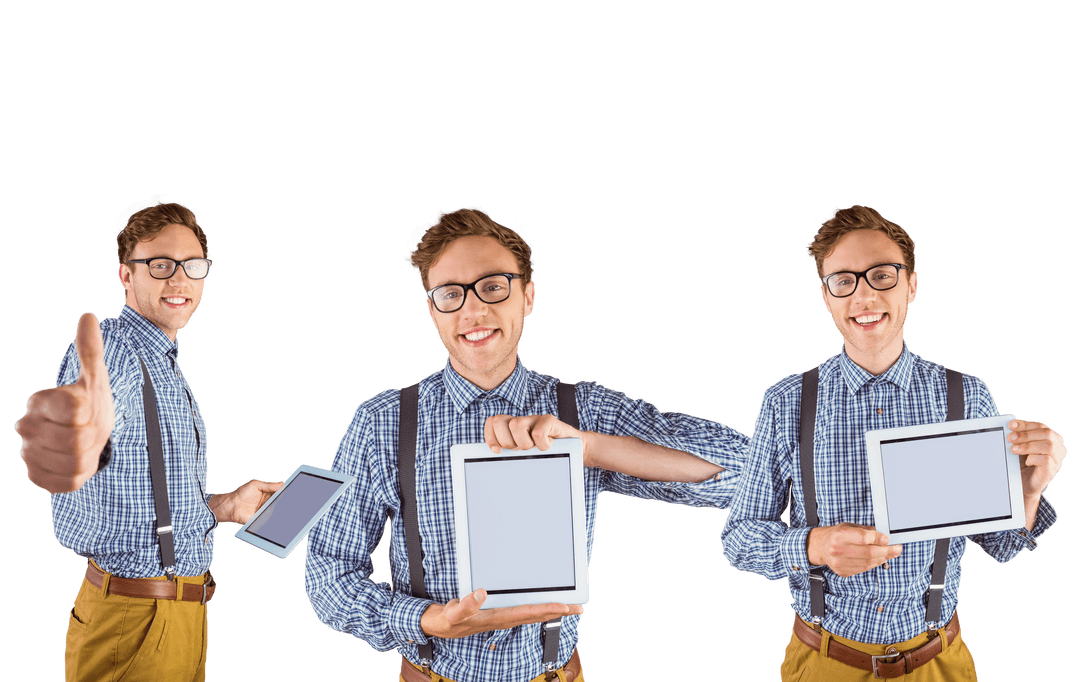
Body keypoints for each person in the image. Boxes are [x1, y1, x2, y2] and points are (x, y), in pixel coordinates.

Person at [305, 207, 748, 682]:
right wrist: (425, 621)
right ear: (432, 310)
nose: (473, 310)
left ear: (528, 296)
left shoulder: (584, 410)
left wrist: (587, 446)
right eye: (451, 294)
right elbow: (330, 573)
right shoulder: (382, 422)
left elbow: (747, 473)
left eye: (494, 286)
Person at [721, 204, 1067, 680]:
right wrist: (813, 547)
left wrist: (1029, 490)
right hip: (825, 661)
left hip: (937, 661)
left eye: (881, 275)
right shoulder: (786, 403)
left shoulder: (966, 396)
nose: (864, 295)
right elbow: (738, 538)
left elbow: (1002, 545)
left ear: (911, 285)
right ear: (826, 296)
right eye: (844, 280)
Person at [14, 198, 283, 682]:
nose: (179, 279)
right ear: (126, 276)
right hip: (133, 620)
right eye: (160, 266)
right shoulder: (113, 349)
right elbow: (85, 403)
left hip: (184, 615)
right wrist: (72, 429)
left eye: (192, 266)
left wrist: (222, 506)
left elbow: (145, 492)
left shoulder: (164, 361)